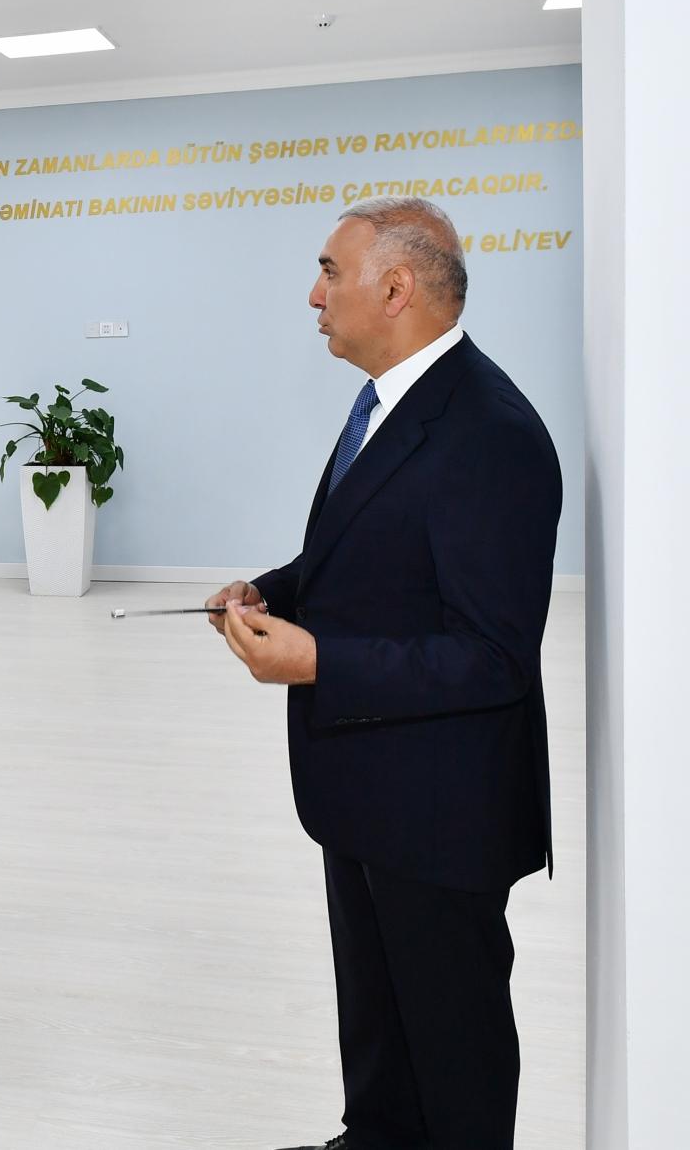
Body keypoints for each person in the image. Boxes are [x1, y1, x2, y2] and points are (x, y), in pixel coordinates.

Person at [207, 197, 561, 1150]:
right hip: (369, 789)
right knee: (378, 1020)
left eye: (329, 271)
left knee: (453, 1046)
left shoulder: (489, 430)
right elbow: (364, 558)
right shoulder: (387, 402)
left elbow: (492, 654)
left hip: (440, 810)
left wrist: (317, 657)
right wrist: (272, 588)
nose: (312, 295)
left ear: (396, 288)